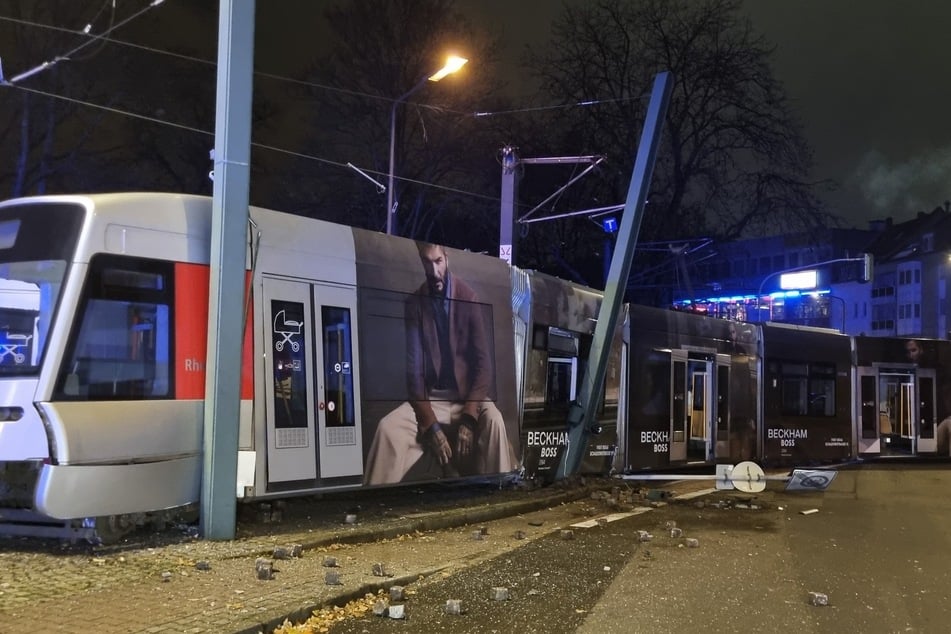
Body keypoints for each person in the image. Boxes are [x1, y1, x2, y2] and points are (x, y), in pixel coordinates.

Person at [364, 241, 516, 485]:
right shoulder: (414, 305)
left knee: (496, 422)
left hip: (468, 397)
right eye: (427, 262)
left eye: (438, 262)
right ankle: (372, 504)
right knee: (387, 429)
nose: (434, 271)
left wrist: (469, 416)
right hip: (432, 397)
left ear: (447, 258)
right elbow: (414, 375)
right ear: (421, 260)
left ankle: (503, 491)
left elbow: (483, 367)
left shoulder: (469, 298)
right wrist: (430, 424)